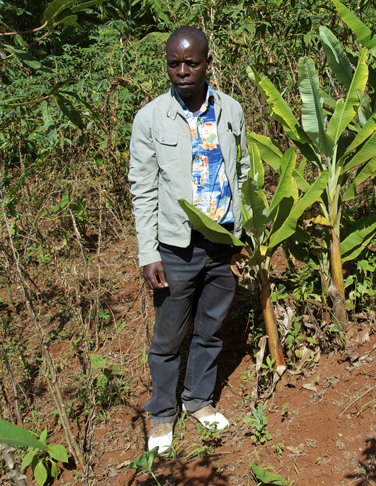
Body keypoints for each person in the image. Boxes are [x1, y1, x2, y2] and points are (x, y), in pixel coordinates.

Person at [128, 26, 249, 453]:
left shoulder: (230, 110)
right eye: (173, 63)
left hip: (221, 242)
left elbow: (242, 172)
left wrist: (244, 229)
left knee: (211, 330)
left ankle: (198, 400)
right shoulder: (151, 117)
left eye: (190, 63)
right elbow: (142, 187)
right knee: (167, 337)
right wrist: (148, 252)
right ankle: (162, 415)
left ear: (207, 63)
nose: (181, 71)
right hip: (175, 247)